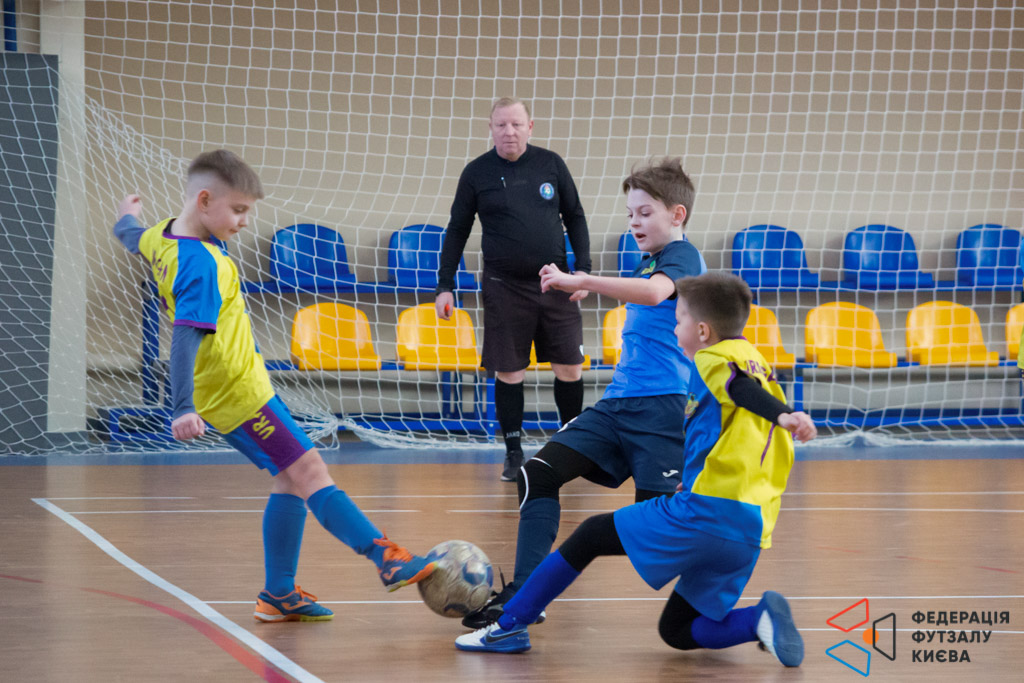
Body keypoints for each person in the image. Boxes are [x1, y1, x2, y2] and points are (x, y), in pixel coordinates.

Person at [113, 150, 436, 623]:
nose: (245, 221)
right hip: (235, 395)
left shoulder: (161, 234)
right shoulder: (200, 263)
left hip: (239, 387)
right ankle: (384, 557)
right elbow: (184, 336)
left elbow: (131, 236)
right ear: (204, 201)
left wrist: (126, 216)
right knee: (310, 470)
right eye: (238, 210)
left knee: (290, 478)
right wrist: (181, 407)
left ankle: (279, 593)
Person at [455, 272, 816, 668]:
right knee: (677, 629)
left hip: (710, 513)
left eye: (678, 320)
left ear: (702, 330)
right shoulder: (755, 358)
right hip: (751, 528)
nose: (674, 328)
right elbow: (731, 426)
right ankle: (758, 620)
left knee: (591, 535)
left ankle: (509, 625)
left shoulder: (712, 358)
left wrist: (784, 416)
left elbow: (741, 390)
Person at [460, 157, 707, 629]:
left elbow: (655, 294)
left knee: (656, 528)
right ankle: (525, 595)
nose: (634, 221)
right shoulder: (649, 261)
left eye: (645, 212)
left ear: (678, 215)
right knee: (537, 473)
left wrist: (583, 280)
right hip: (617, 407)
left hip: (662, 411)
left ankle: (714, 596)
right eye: (630, 213)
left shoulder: (683, 257)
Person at [435, 97, 592, 482]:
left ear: (530, 127)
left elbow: (575, 216)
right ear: (490, 128)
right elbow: (457, 230)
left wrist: (583, 272)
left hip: (555, 283)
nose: (509, 132)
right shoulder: (477, 172)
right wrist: (445, 285)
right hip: (503, 287)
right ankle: (513, 452)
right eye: (501, 125)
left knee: (569, 367)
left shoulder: (551, 164)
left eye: (516, 124)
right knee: (509, 372)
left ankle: (570, 448)